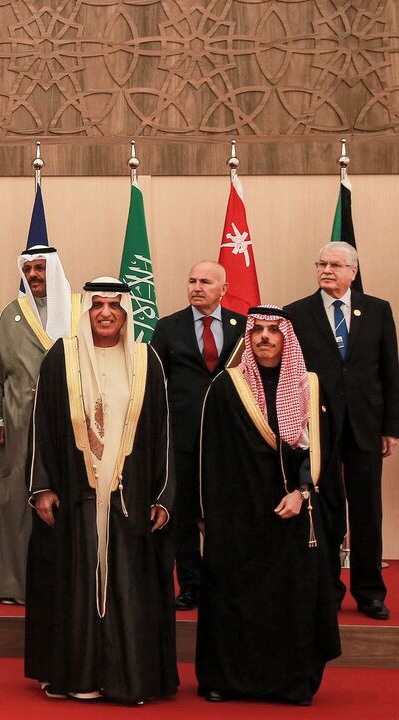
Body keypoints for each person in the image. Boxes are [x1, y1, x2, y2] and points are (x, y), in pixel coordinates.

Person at [25, 277, 176, 705]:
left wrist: (163, 495)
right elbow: (41, 426)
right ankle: (79, 675)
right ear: (85, 310)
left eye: (114, 305)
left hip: (132, 496)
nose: (106, 312)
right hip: (77, 495)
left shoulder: (147, 360)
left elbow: (164, 431)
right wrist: (42, 486)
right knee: (78, 585)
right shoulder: (62, 358)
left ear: (126, 312)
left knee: (127, 585)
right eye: (97, 305)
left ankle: (128, 679)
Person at [196, 305, 340, 705]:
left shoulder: (308, 386)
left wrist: (301, 492)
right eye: (256, 330)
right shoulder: (228, 387)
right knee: (232, 595)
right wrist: (212, 517)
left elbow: (319, 452)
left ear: (286, 338)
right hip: (238, 516)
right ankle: (225, 680)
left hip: (291, 511)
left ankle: (289, 683)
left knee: (290, 599)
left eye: (273, 331)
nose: (263, 337)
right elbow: (211, 456)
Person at [286, 241, 399, 620]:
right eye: (321, 263)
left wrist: (391, 428)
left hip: (366, 425)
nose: (327, 270)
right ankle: (328, 589)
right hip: (317, 428)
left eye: (336, 264)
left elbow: (390, 372)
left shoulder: (379, 310)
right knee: (326, 509)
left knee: (367, 511)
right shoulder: (296, 313)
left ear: (353, 271)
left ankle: (369, 592)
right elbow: (290, 376)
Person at [0, 246, 74, 605]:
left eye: (40, 268)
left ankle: (64, 587)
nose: (34, 275)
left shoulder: (79, 311)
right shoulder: (12, 314)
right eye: (29, 270)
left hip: (69, 422)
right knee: (12, 501)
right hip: (18, 423)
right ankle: (11, 584)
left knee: (63, 497)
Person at [149, 260, 244, 611]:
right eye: (192, 280)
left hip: (227, 439)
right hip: (182, 437)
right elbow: (155, 382)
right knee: (184, 515)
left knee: (223, 513)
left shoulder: (243, 327)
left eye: (206, 281)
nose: (197, 287)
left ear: (224, 287)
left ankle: (224, 583)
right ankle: (191, 585)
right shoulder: (168, 326)